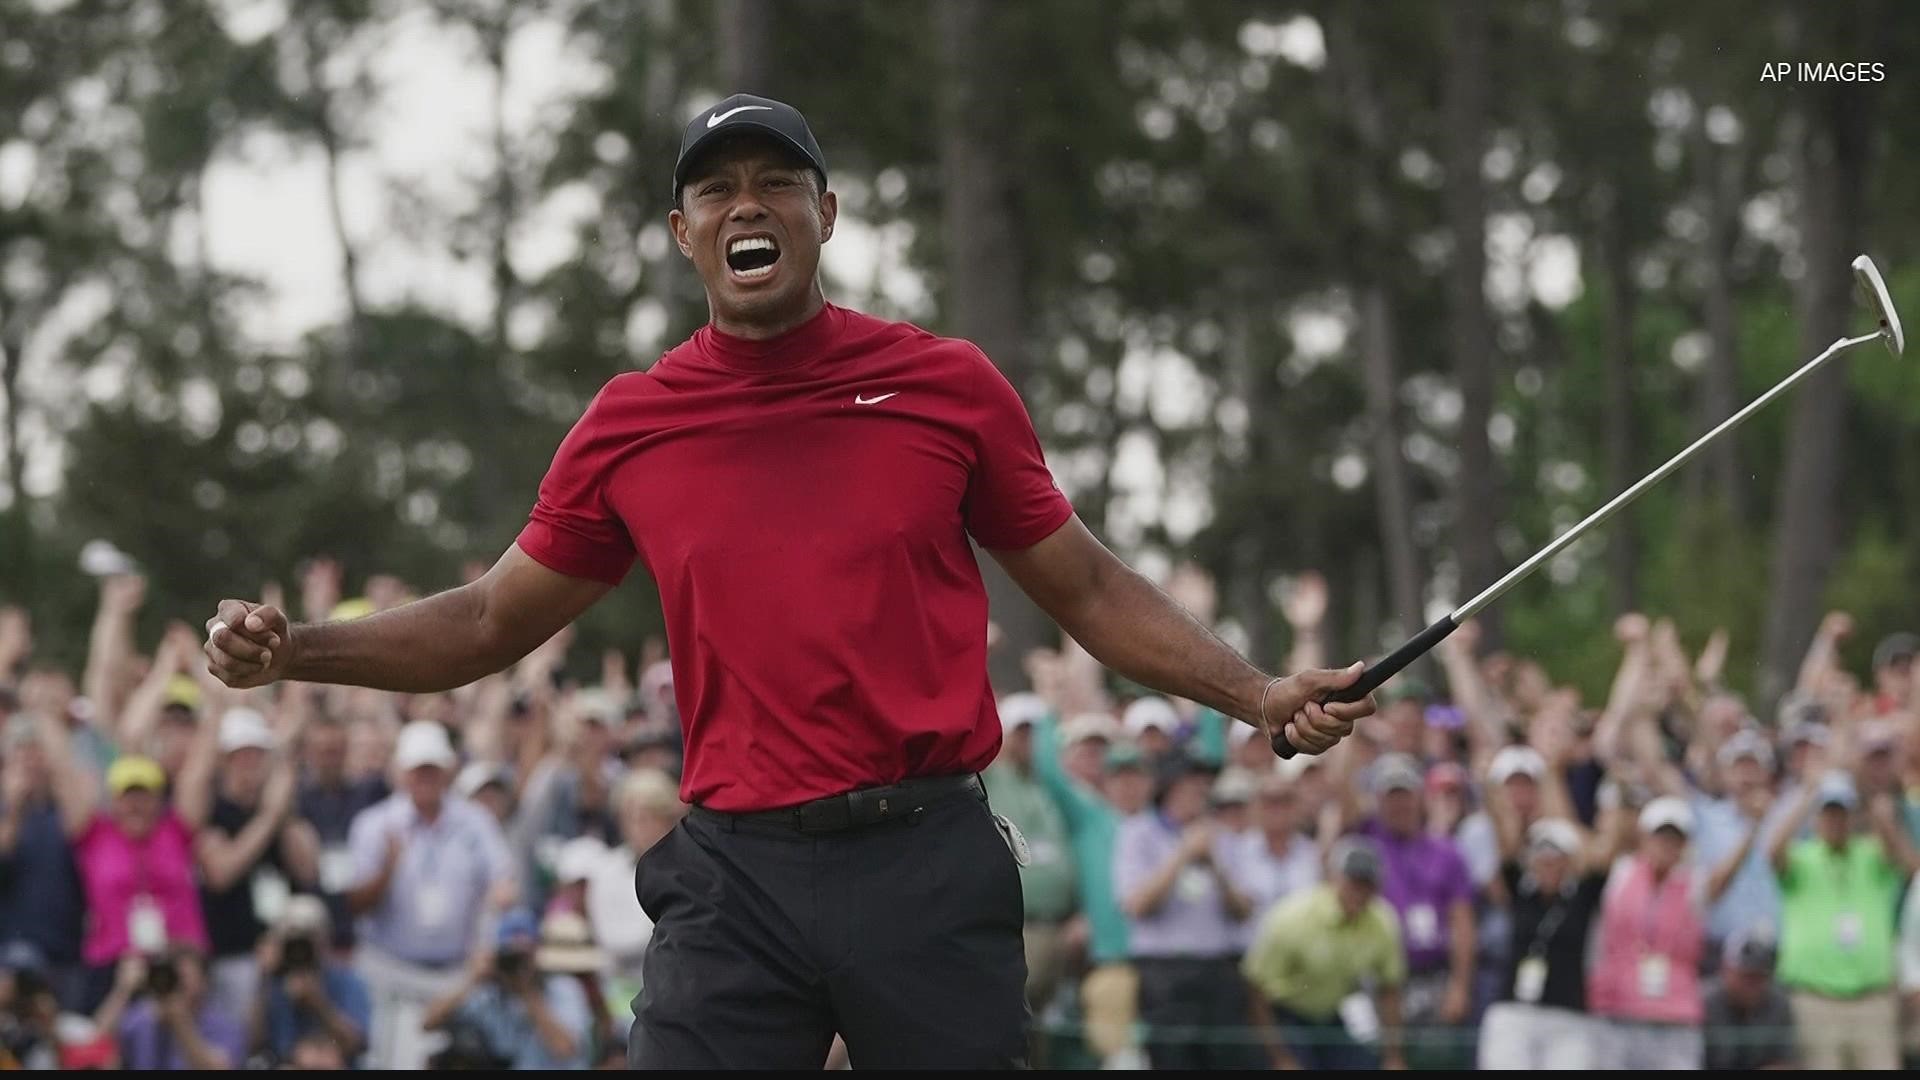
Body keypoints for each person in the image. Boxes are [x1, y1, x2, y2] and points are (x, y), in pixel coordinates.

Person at [200, 91, 1378, 1069]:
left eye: (775, 181)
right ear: (683, 231)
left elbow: (1087, 587)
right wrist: (298, 649)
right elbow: (489, 619)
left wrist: (1258, 693)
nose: (746, 204)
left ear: (825, 213)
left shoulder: (946, 386)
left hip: (924, 854)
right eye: (717, 188)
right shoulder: (633, 422)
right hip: (735, 876)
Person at [343, 720, 515, 1069]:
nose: (425, 778)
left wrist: (500, 898)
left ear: (448, 771)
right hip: (390, 972)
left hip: (455, 974)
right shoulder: (374, 824)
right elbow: (354, 904)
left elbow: (503, 880)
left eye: (432, 769)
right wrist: (387, 872)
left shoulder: (475, 821)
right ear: (401, 772)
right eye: (417, 770)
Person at [1114, 754, 1256, 1069]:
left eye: (1205, 784)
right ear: (1171, 787)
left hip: (1219, 970)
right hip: (1165, 974)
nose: (1202, 791)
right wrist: (1183, 855)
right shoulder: (1138, 833)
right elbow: (1137, 905)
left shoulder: (1222, 836)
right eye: (1193, 783)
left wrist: (1215, 867)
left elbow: (1245, 911)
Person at [1769, 770, 1916, 1070]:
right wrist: (1807, 795)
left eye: (1842, 814)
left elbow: (1908, 864)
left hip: (1872, 999)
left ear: (1853, 818)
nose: (1836, 822)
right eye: (1829, 814)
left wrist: (1873, 801)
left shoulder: (1871, 856)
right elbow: (1773, 851)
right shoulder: (1803, 857)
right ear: (1817, 818)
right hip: (1815, 999)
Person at [1242, 837, 1407, 1070]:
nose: (1359, 892)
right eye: (1353, 882)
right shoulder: (1293, 917)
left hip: (1334, 1013)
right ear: (1335, 878)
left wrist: (1393, 1056)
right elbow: (1256, 989)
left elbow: (1389, 989)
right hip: (1286, 1014)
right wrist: (1280, 1058)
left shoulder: (1383, 921)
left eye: (1367, 884)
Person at [420, 909, 595, 1070]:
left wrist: (528, 993)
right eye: (510, 956)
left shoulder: (563, 989)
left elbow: (565, 1048)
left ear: (537, 954)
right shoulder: (488, 995)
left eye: (523, 956)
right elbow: (428, 1023)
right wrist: (472, 979)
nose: (517, 964)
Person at [250, 895, 370, 1068]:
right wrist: (263, 978)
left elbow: (356, 1045)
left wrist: (319, 1003)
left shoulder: (348, 981)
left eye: (309, 936)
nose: (301, 946)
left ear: (325, 938)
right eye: (293, 937)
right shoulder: (275, 982)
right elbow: (253, 1044)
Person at [93, 945, 247, 1070]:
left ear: (204, 982)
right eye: (172, 977)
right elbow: (97, 1038)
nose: (176, 985)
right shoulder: (144, 1015)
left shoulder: (224, 1025)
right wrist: (123, 990)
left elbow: (219, 1067)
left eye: (183, 978)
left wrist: (180, 1021)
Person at [1700, 929, 1796, 1071]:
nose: (1753, 985)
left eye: (1760, 977)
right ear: (1726, 968)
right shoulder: (1703, 1001)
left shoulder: (1778, 1003)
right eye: (1747, 976)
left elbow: (1785, 1061)